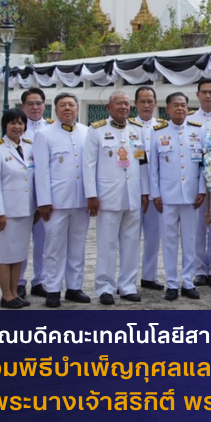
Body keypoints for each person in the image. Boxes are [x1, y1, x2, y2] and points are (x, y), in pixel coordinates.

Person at [85, 91, 150, 305]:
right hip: (107, 196)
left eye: (126, 104)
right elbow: (89, 166)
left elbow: (142, 163)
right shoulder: (97, 131)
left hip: (132, 195)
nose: (123, 107)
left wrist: (144, 192)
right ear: (109, 107)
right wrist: (92, 195)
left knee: (132, 242)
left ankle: (128, 285)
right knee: (107, 243)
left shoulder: (137, 130)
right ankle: (105, 287)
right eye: (119, 103)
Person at [32, 92, 91, 308]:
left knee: (78, 245)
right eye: (63, 105)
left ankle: (74, 287)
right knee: (54, 247)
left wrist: (92, 196)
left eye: (71, 105)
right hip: (55, 202)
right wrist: (43, 201)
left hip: (81, 200)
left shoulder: (87, 132)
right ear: (55, 110)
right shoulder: (45, 135)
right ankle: (53, 288)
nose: (67, 108)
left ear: (77, 108)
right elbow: (41, 171)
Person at [149, 92, 208, 300]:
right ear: (168, 109)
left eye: (183, 105)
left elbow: (203, 165)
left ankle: (188, 282)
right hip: (167, 197)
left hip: (192, 196)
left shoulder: (198, 131)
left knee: (191, 240)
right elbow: (153, 168)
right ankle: (172, 283)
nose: (180, 108)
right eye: (176, 105)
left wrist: (202, 189)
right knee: (169, 241)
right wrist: (155, 194)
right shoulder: (158, 133)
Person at [0, 108, 37, 309]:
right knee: (4, 255)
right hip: (5, 213)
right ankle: (5, 294)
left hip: (25, 211)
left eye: (21, 123)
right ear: (5, 126)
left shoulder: (29, 147)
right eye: (13, 123)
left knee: (18, 254)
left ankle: (15, 292)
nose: (17, 127)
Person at [18, 87, 54, 299]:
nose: (35, 107)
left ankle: (40, 280)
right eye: (30, 104)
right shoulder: (17, 128)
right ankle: (19, 281)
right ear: (23, 107)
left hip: (45, 195)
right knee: (21, 240)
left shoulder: (50, 129)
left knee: (43, 241)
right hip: (22, 194)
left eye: (39, 103)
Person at [133, 86, 167, 291]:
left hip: (156, 192)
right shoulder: (128, 127)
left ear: (155, 103)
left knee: (154, 235)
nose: (146, 105)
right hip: (135, 190)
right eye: (142, 101)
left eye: (150, 101)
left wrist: (153, 192)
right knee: (130, 238)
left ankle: (149, 275)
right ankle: (127, 279)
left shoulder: (163, 127)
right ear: (135, 104)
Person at [190, 77, 211, 287]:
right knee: (198, 228)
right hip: (196, 181)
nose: (208, 95)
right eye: (204, 92)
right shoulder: (190, 120)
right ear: (198, 95)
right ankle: (200, 269)